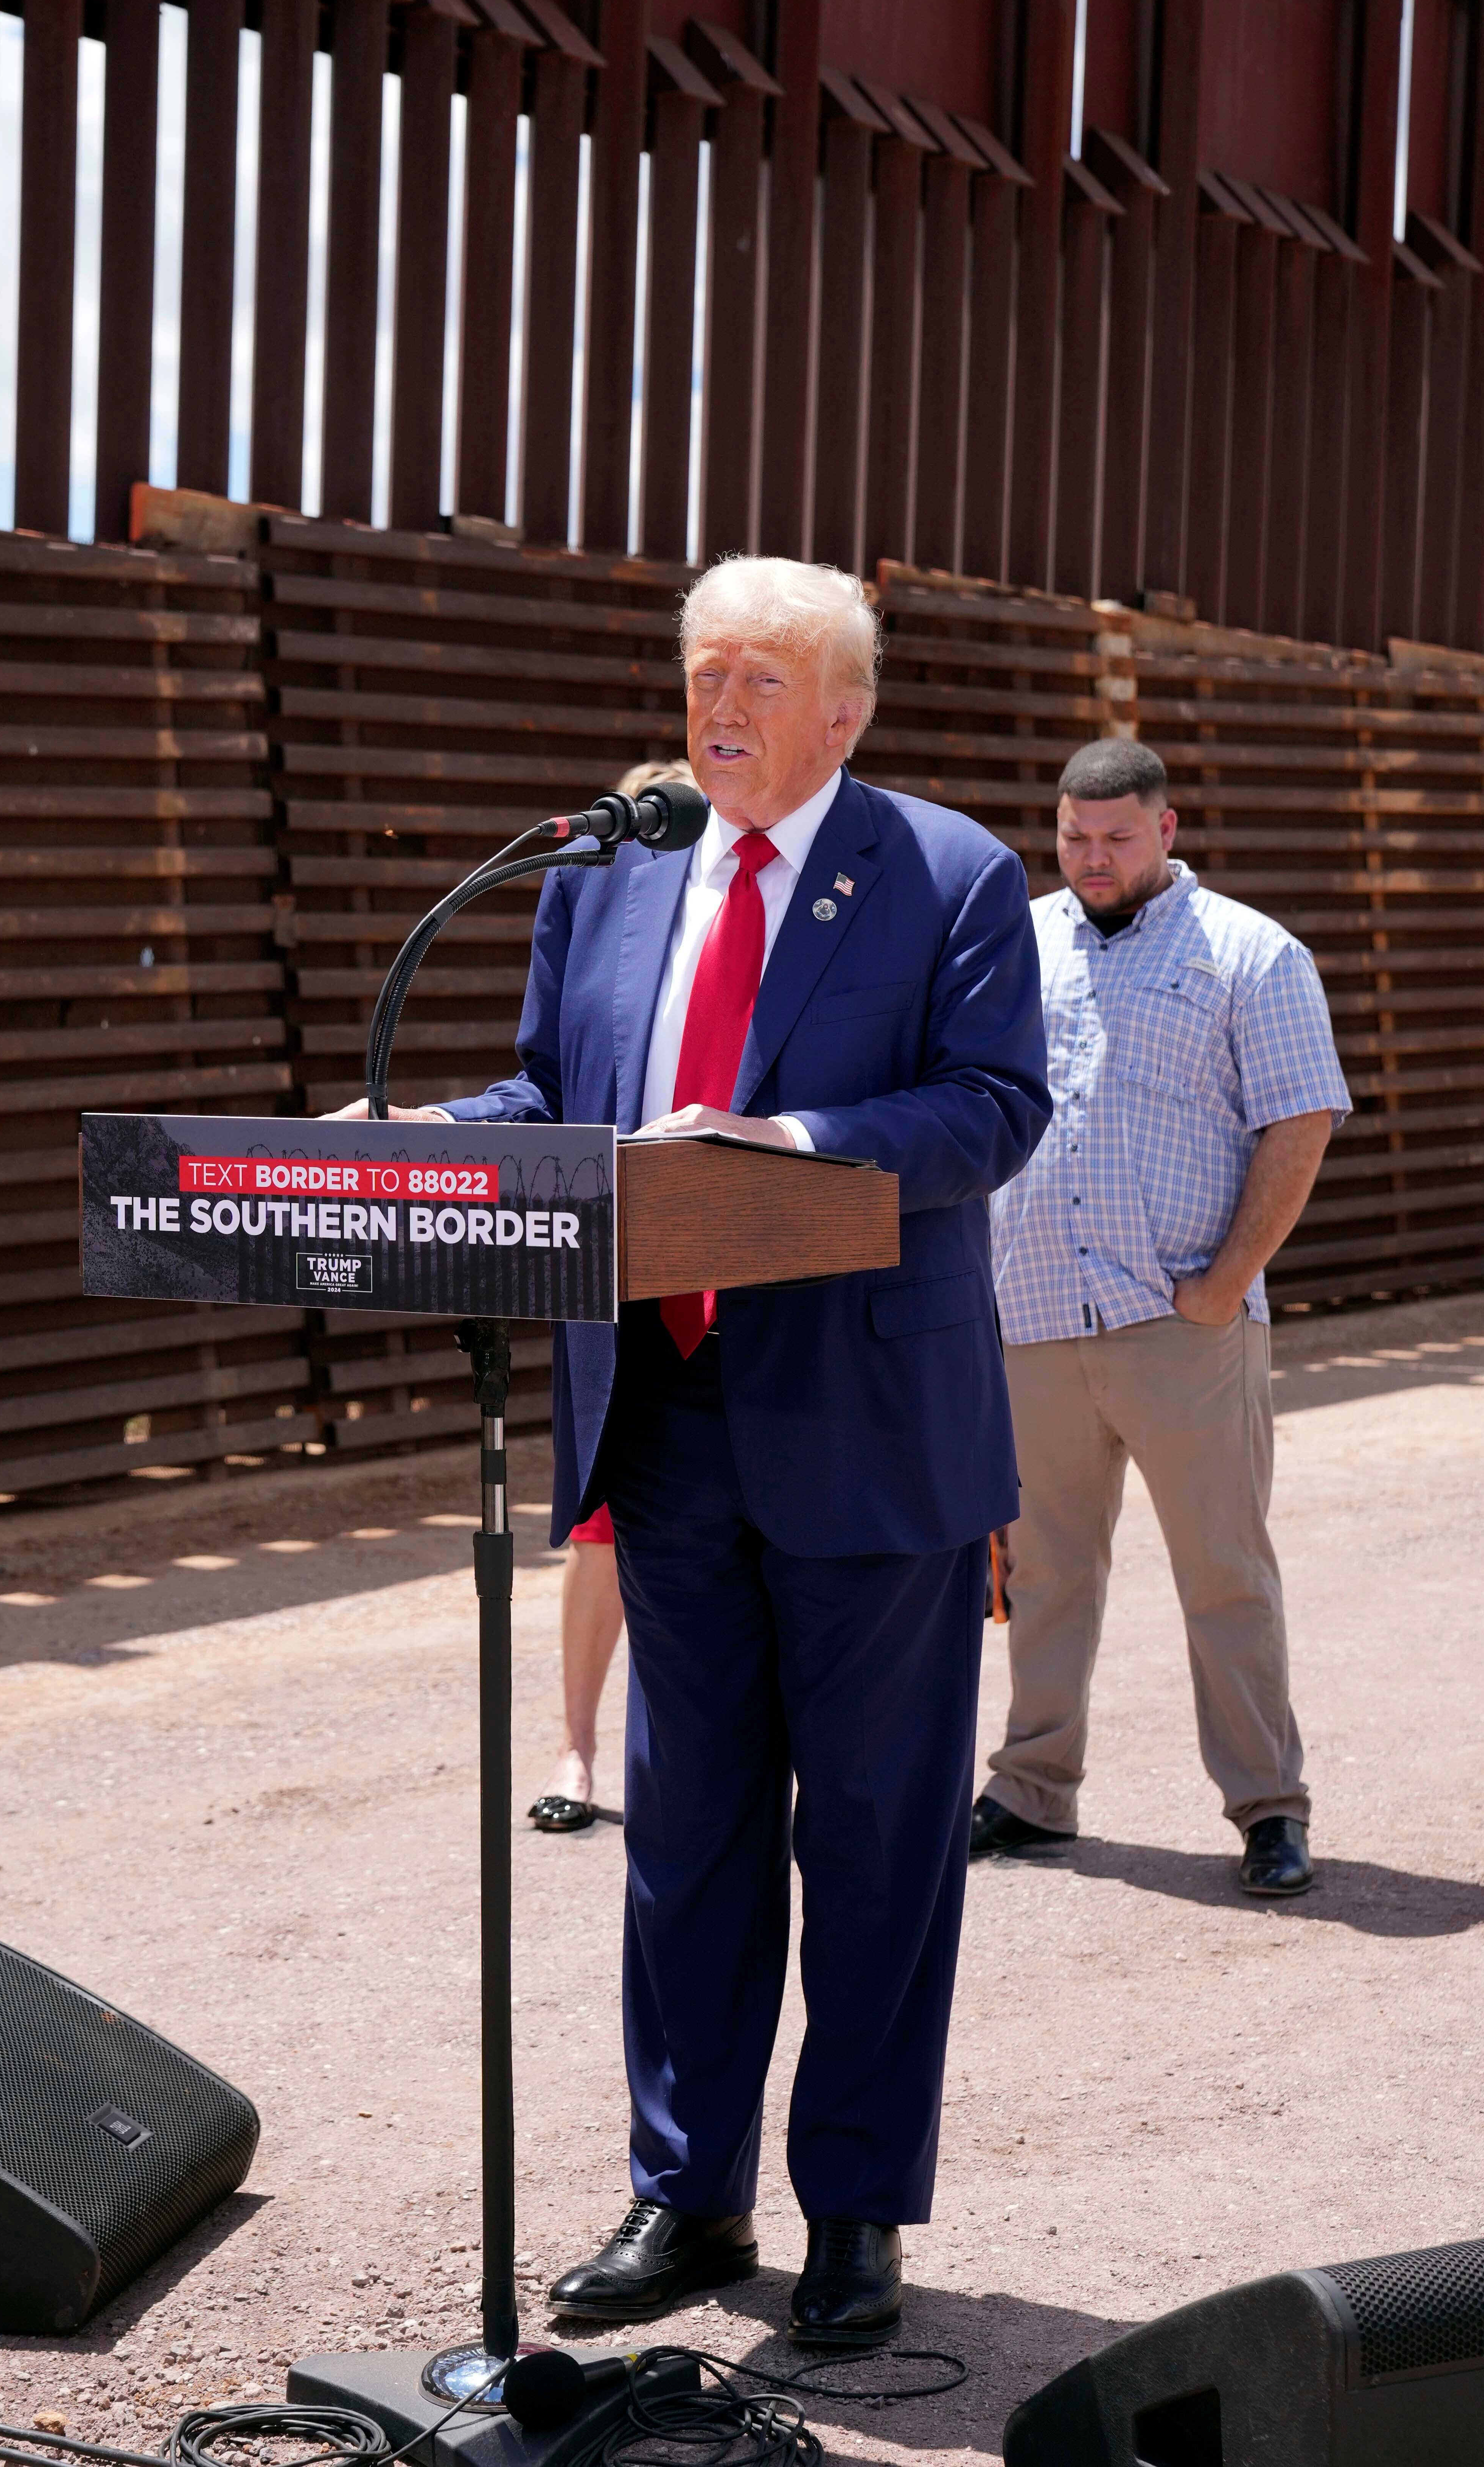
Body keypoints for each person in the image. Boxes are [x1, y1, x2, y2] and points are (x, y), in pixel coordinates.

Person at [357, 557, 1049, 2346]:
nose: (718, 709)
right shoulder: (609, 869)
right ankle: (689, 2196)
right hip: (661, 1421)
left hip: (868, 1431)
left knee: (884, 1840)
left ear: (846, 708)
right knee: (687, 1832)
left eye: (759, 678)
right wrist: (438, 1129)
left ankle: (856, 2216)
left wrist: (782, 1139)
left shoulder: (951, 873)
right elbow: (554, 1096)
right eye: (701, 674)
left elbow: (993, 1110)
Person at [973, 738, 1350, 1898]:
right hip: (1032, 1315)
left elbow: (1301, 1121)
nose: (1093, 858)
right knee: (1043, 1574)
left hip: (1182, 1322)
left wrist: (1225, 1285)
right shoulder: (1012, 945)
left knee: (1224, 1573)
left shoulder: (1251, 953)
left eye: (1117, 837)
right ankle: (1034, 1790)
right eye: (1075, 837)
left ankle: (1267, 1805)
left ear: (1167, 828)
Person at [526, 758, 698, 1839]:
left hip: (730, 1269)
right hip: (616, 1280)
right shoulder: (587, 917)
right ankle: (579, 1749)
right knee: (602, 1539)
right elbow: (545, 1087)